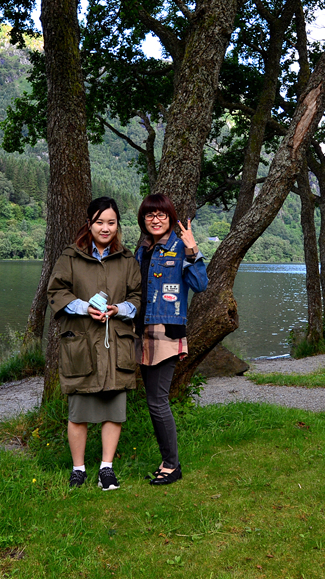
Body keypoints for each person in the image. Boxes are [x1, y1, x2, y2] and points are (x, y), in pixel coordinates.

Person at [47, 197, 142, 490]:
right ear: (89, 224)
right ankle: (78, 470)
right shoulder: (70, 257)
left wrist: (119, 309)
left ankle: (106, 469)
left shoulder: (127, 260)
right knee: (79, 412)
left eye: (111, 222)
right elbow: (56, 292)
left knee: (114, 410)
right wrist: (83, 307)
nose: (105, 228)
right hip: (82, 344)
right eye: (100, 222)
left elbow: (137, 297)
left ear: (117, 225)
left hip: (116, 344)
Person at [134, 194, 208, 485]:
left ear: (170, 218)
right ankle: (168, 461)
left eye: (161, 215)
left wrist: (193, 249)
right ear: (143, 220)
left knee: (158, 401)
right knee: (153, 400)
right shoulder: (143, 250)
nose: (155, 220)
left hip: (166, 332)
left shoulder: (179, 248)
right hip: (141, 331)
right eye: (149, 215)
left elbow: (200, 285)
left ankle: (172, 466)